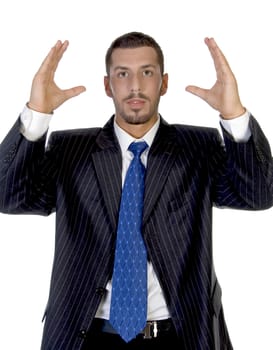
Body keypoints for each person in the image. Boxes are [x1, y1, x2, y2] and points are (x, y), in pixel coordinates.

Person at [0, 31, 272, 350]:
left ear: (164, 82)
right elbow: (9, 196)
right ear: (107, 85)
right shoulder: (70, 150)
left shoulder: (197, 148)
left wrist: (234, 115)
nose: (135, 86)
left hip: (179, 337)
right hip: (87, 337)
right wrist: (36, 115)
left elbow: (258, 194)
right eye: (122, 74)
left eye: (147, 72)